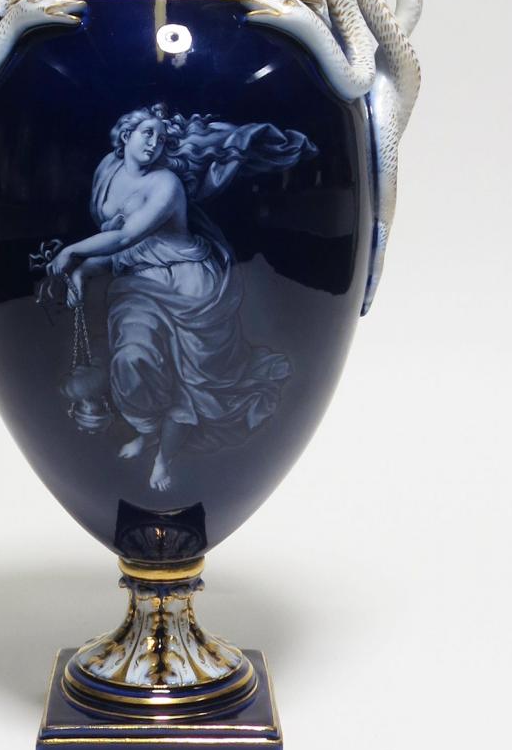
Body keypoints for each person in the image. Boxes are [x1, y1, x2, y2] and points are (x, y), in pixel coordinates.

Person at [47, 103, 315, 490]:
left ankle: (164, 458)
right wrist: (85, 271)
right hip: (136, 282)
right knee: (133, 361)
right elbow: (118, 242)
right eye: (147, 134)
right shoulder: (107, 170)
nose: (153, 144)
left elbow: (125, 236)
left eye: (160, 139)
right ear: (126, 135)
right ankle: (147, 430)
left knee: (186, 382)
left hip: (186, 286)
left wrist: (72, 253)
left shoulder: (166, 185)